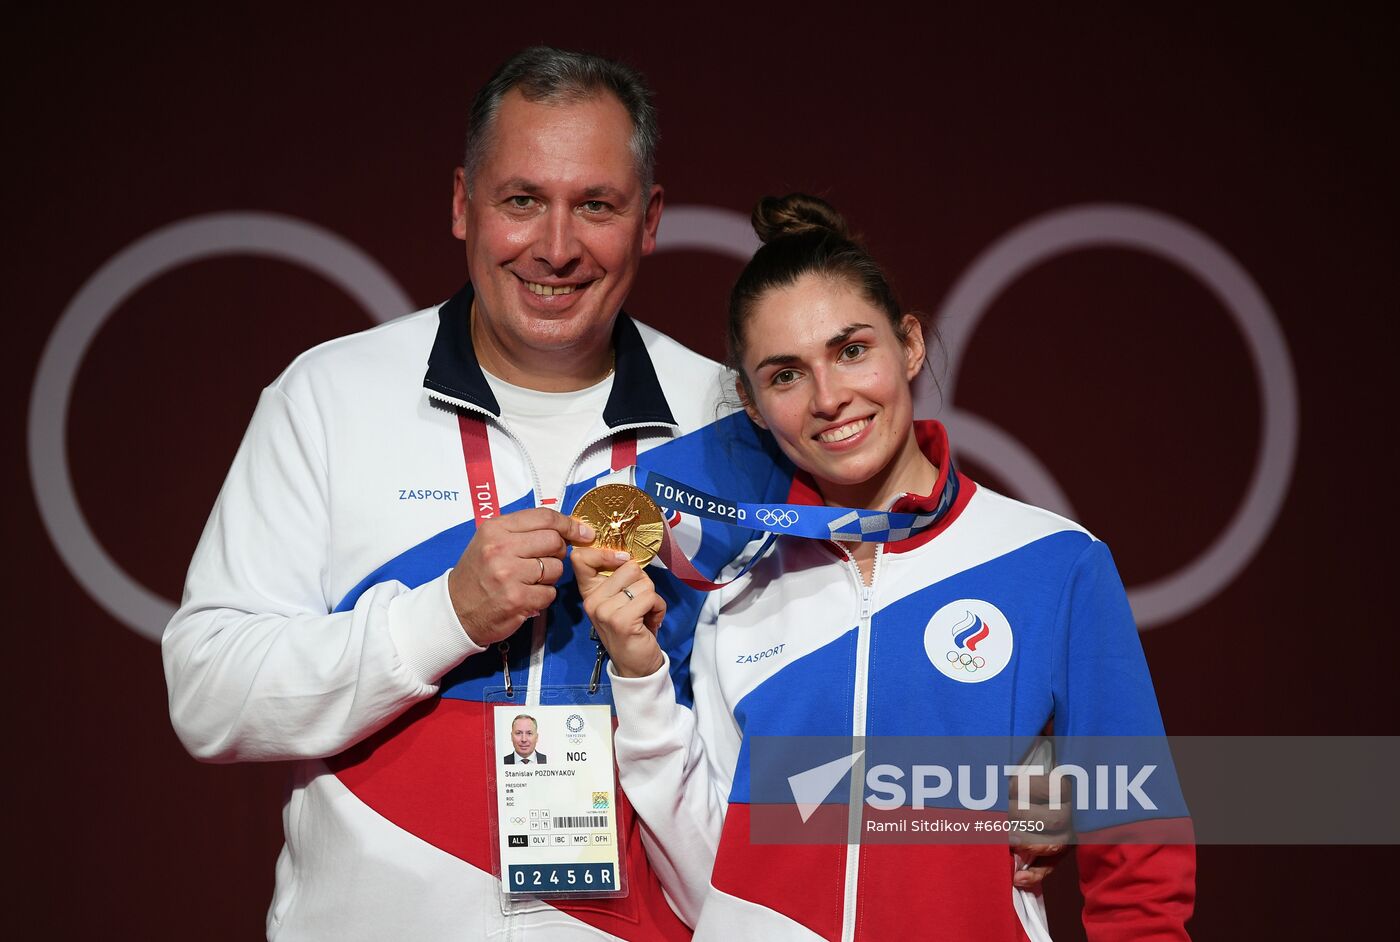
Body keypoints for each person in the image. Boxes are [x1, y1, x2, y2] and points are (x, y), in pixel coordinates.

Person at [162, 46, 789, 941]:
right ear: (463, 204)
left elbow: (833, 677)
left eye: (597, 206)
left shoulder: (725, 422)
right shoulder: (331, 395)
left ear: (650, 219)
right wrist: (445, 616)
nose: (557, 246)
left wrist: (1004, 814)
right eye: (521, 200)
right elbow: (208, 694)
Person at [573, 194, 1196, 940]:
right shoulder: (726, 580)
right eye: (785, 375)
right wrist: (641, 681)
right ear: (751, 401)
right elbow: (698, 853)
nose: (830, 398)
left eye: (851, 350)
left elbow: (1138, 848)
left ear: (908, 345)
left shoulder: (1054, 562)